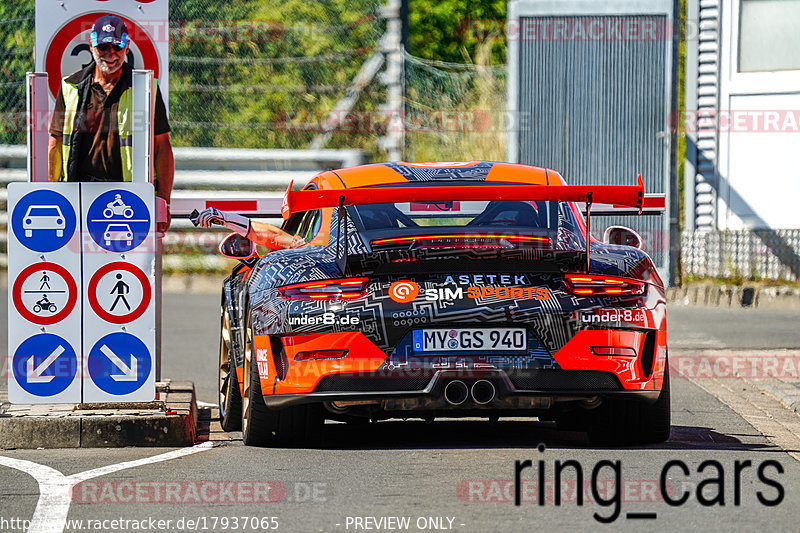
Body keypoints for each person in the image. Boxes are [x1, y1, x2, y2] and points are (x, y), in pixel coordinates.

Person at [47, 14, 174, 231]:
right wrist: (53, 198)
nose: (110, 54)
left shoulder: (146, 88)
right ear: (91, 46)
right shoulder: (70, 86)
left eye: (117, 46)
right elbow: (55, 144)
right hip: (79, 195)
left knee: (126, 264)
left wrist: (163, 202)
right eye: (103, 46)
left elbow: (162, 146)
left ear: (127, 47)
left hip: (130, 198)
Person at [194, 207, 306, 250]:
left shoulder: (307, 250)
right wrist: (227, 219)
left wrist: (227, 219)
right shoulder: (312, 248)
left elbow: (276, 238)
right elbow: (277, 238)